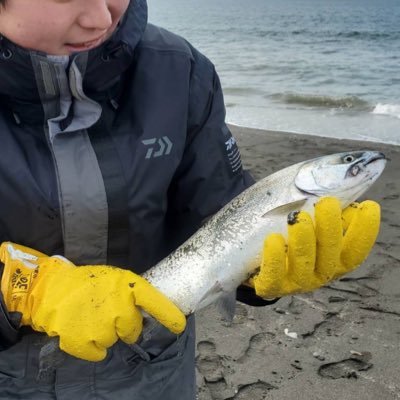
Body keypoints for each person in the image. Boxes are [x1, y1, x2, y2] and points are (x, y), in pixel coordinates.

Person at [0, 0, 380, 399]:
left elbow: (218, 213)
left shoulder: (179, 70)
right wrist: (24, 289)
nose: (101, 17)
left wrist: (258, 267)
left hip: (153, 373)